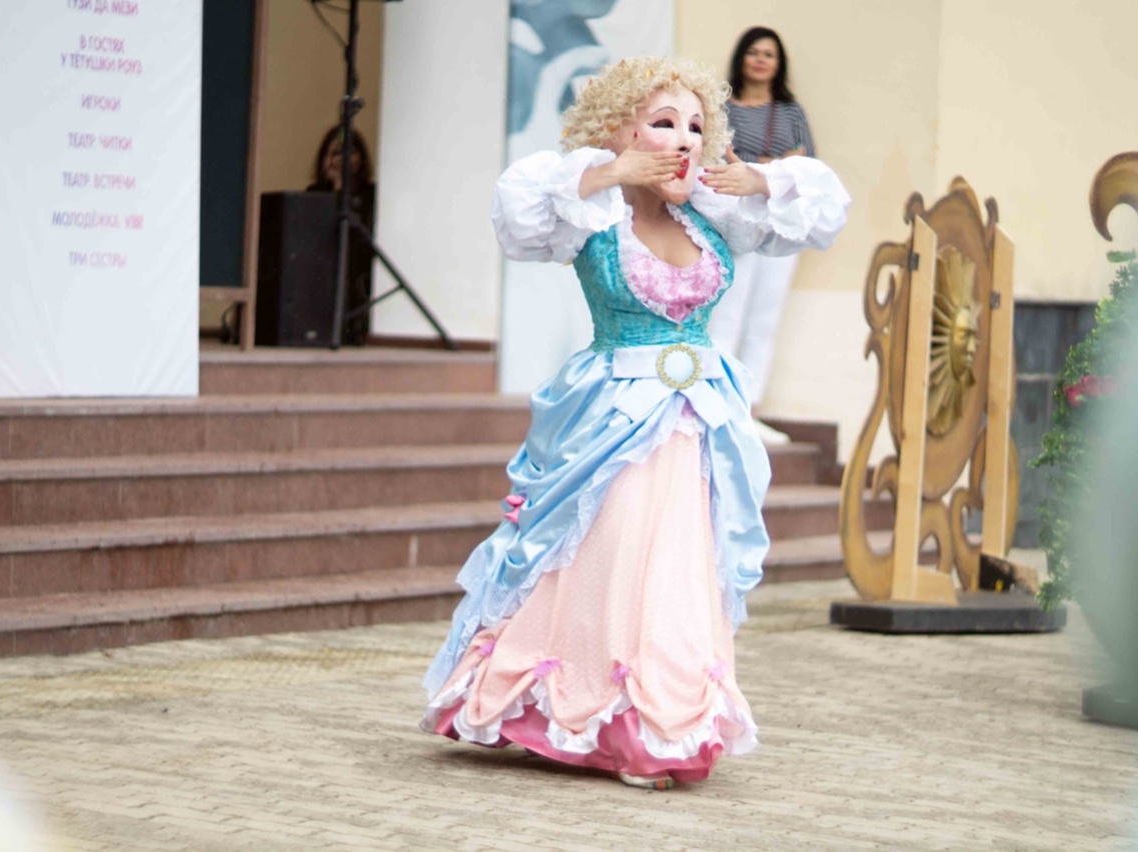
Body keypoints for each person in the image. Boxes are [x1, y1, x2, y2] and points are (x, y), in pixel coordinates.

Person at [420, 56, 849, 789]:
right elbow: (519, 206)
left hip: (698, 422)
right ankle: (586, 711)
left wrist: (759, 180)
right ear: (621, 131)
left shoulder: (711, 213)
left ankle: (664, 723)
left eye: (695, 127)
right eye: (663, 123)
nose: (683, 139)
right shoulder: (591, 211)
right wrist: (613, 172)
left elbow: (822, 204)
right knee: (603, 559)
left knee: (680, 571)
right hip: (613, 418)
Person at [707, 27, 816, 444]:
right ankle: (719, 404)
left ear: (778, 63)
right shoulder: (719, 109)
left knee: (764, 319)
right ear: (741, 57)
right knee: (726, 315)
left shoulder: (790, 112)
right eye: (753, 52)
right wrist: (770, 165)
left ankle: (748, 409)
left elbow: (807, 165)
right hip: (733, 221)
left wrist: (758, 169)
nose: (760, 59)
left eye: (768, 54)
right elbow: (711, 158)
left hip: (780, 224)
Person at [307, 125, 376, 346]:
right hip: (321, 262)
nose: (342, 159)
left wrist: (343, 188)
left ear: (361, 158)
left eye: (350, 152)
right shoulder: (314, 193)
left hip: (357, 262)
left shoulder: (372, 193)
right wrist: (336, 188)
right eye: (336, 153)